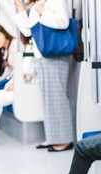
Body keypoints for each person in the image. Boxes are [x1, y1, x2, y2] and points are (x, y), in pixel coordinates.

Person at [14, 0, 74, 152]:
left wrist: (43, 13)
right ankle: (54, 137)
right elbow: (29, 31)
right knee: (49, 99)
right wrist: (21, 9)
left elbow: (63, 22)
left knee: (57, 97)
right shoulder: (38, 4)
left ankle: (65, 139)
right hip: (43, 55)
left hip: (55, 54)